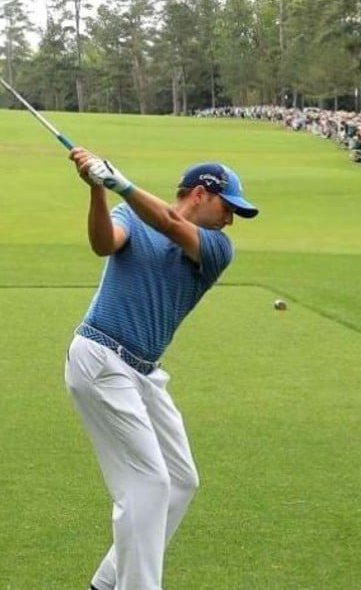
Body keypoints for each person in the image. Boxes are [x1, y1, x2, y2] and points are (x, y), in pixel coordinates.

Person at [65, 150, 258, 590]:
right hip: (100, 356)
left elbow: (169, 224)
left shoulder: (216, 249)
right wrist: (97, 189)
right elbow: (102, 244)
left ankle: (106, 581)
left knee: (181, 481)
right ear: (199, 194)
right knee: (149, 484)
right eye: (227, 208)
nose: (230, 220)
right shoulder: (128, 215)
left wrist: (119, 182)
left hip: (144, 371)